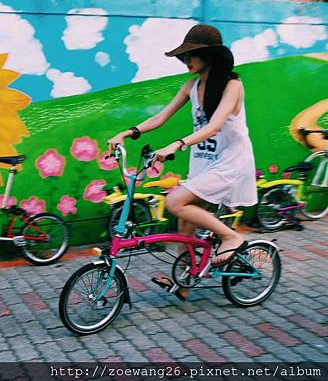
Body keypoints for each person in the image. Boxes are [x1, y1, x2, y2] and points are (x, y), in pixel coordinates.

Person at [107, 24, 257, 300]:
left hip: (230, 162)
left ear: (209, 56)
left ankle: (232, 238)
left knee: (175, 202)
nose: (186, 60)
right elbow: (160, 117)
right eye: (184, 56)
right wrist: (126, 134)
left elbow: (213, 127)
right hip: (205, 161)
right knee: (185, 224)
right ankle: (185, 282)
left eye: (193, 54)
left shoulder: (233, 86)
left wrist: (177, 144)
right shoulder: (192, 85)